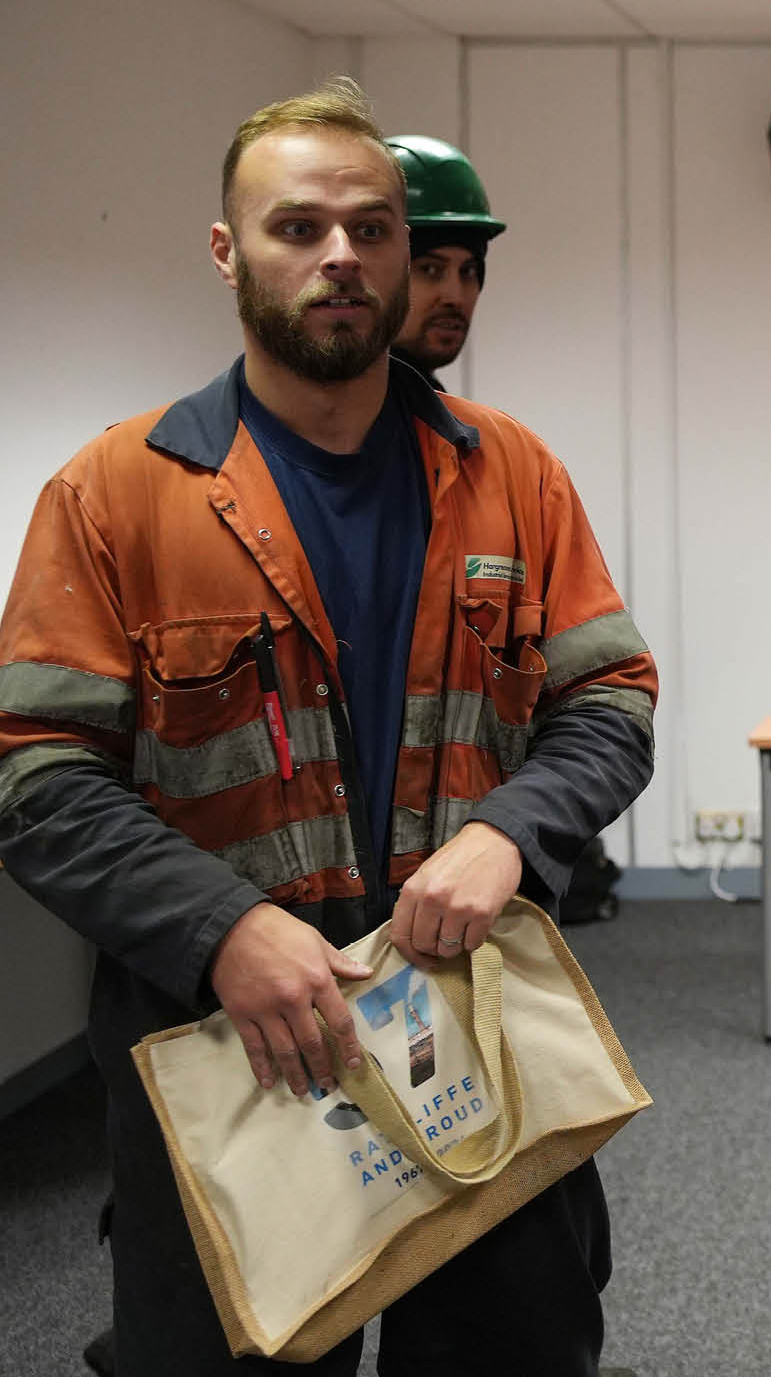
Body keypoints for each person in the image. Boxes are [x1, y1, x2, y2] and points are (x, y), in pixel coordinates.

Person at [0, 78, 657, 1377]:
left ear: (406, 251)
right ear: (227, 250)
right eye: (298, 228)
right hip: (228, 1040)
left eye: (371, 228)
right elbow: (37, 774)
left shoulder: (512, 474)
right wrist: (221, 930)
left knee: (508, 1351)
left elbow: (609, 700)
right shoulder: (115, 494)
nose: (340, 256)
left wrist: (509, 835)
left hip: (467, 1019)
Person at [383, 134, 506, 389]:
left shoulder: (426, 403)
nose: (455, 297)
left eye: (468, 271)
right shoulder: (338, 408)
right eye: (430, 269)